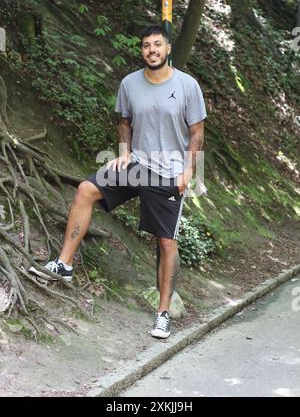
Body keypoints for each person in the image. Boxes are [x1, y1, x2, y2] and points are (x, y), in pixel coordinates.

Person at [30, 25, 207, 339]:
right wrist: (124, 153)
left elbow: (197, 132)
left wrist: (189, 170)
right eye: (146, 46)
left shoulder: (187, 85)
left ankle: (163, 313)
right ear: (142, 51)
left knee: (166, 242)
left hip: (168, 173)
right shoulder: (129, 83)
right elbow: (124, 121)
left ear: (167, 50)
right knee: (86, 189)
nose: (151, 50)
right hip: (136, 164)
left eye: (157, 45)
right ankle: (64, 264)